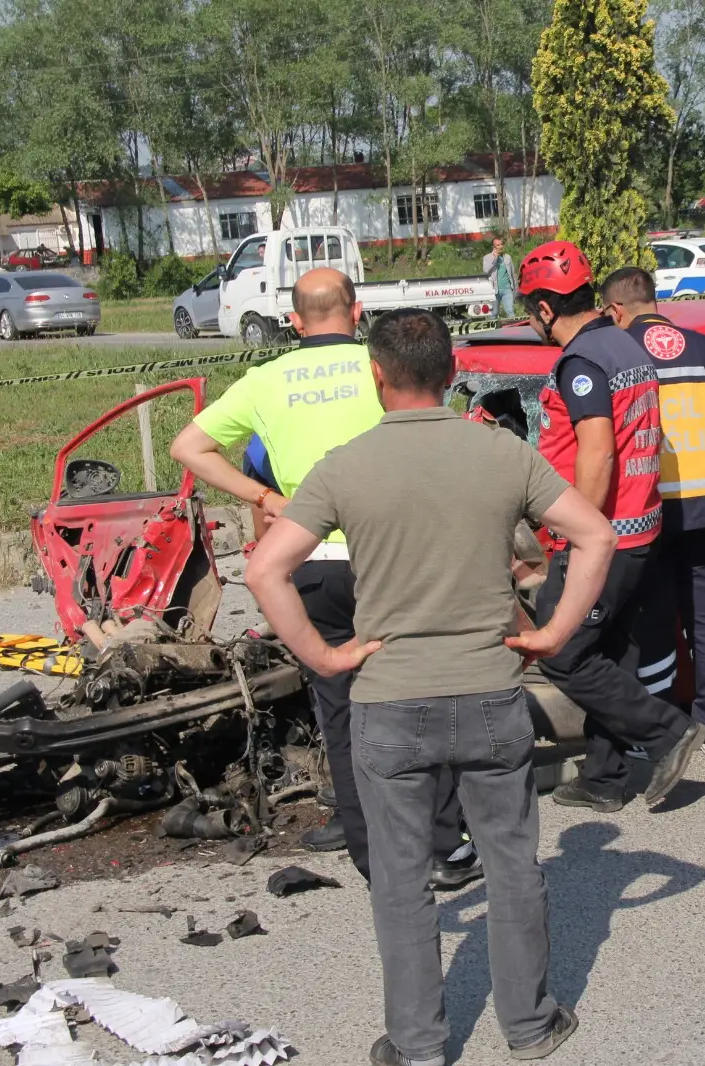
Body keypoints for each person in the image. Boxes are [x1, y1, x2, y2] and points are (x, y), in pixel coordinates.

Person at [245, 309, 605, 1065]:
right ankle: (532, 1025)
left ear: (378, 375)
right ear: (451, 374)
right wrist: (552, 633)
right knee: (511, 863)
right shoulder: (503, 453)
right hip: (488, 694)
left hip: (390, 703)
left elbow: (266, 569)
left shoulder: (345, 465)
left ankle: (416, 1046)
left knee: (402, 881)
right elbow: (595, 534)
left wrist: (326, 655)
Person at [169, 267, 478, 890]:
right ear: (357, 310)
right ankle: (448, 843)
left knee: (340, 710)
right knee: (420, 695)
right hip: (391, 559)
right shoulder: (381, 369)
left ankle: (373, 854)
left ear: (293, 320)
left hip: (309, 565)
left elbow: (188, 447)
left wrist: (265, 496)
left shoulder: (265, 380)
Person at [518, 240, 705, 812]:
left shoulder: (583, 362)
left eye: (531, 308)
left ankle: (668, 734)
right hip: (638, 528)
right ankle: (604, 778)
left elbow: (596, 454)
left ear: (547, 309)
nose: (530, 319)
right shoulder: (623, 345)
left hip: (605, 534)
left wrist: (578, 530)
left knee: (562, 651)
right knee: (612, 650)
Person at [599, 266, 705, 757]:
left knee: (652, 619)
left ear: (617, 309)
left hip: (649, 505)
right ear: (656, 300)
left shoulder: (619, 352)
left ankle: (659, 729)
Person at [483, 236, 517, 320]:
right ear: (493, 247)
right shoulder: (487, 257)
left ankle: (515, 331)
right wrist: (494, 259)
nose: (501, 246)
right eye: (498, 245)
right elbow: (486, 271)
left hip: (507, 289)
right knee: (494, 313)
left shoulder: (507, 257)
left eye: (501, 244)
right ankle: (492, 332)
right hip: (494, 290)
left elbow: (513, 274)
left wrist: (516, 289)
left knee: (510, 311)